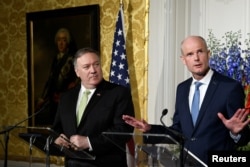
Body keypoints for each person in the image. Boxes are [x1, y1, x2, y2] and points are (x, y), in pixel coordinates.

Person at [123, 36, 250, 165]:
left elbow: (244, 137)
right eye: (190, 54)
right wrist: (150, 128)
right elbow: (178, 131)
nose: (196, 58)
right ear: (183, 60)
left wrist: (235, 133)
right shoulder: (182, 89)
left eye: (200, 51)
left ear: (208, 54)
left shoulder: (229, 88)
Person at [52, 47, 135, 167]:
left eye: (96, 64)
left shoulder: (118, 93)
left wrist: (89, 142)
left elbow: (123, 130)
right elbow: (57, 127)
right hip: (73, 163)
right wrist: (58, 138)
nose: (93, 70)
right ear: (77, 71)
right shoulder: (66, 97)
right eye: (86, 67)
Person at [36, 28, 78, 125]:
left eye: (63, 40)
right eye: (59, 40)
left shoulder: (73, 58)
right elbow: (51, 79)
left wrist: (74, 84)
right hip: (54, 99)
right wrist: (43, 98)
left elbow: (79, 78)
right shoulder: (56, 58)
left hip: (68, 99)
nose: (61, 43)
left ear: (68, 42)